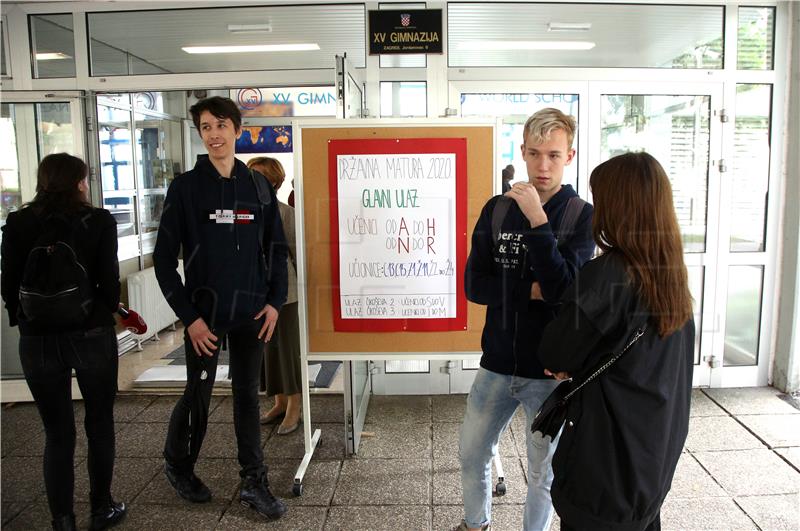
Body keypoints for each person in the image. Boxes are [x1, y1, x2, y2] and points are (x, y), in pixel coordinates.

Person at [538, 152, 695, 531]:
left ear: (619, 207)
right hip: (651, 463)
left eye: (602, 199)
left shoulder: (609, 274)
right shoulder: (670, 273)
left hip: (605, 469)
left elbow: (554, 351)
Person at [455, 108, 595, 531]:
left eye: (553, 155)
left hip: (549, 370)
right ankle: (475, 524)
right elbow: (473, 285)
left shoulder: (579, 214)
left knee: (543, 471)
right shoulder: (497, 209)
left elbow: (563, 291)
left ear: (569, 156)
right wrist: (528, 291)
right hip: (496, 361)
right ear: (522, 152)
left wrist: (538, 220)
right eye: (534, 154)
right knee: (471, 454)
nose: (543, 165)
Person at [153, 96, 289, 520]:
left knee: (248, 395)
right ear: (200, 134)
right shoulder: (186, 188)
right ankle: (178, 463)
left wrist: (275, 302)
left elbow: (276, 248)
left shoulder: (257, 185)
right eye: (206, 127)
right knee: (199, 394)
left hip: (251, 311)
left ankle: (254, 481)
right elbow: (163, 261)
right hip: (206, 315)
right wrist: (189, 319)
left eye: (221, 125)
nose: (214, 134)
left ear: (236, 129)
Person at [1, 153, 126, 531]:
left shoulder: (18, 221)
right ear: (78, 183)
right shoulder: (98, 221)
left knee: (57, 433)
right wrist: (107, 313)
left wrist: (23, 320)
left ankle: (63, 519)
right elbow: (108, 278)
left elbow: (8, 283)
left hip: (37, 339)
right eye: (84, 179)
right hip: (90, 334)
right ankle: (101, 508)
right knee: (99, 423)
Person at [246, 157, 302, 435]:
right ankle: (279, 402)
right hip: (253, 295)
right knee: (269, 351)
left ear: (275, 183)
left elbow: (296, 257)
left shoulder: (286, 214)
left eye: (262, 178)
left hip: (287, 295)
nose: (255, 183)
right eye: (251, 176)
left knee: (289, 350)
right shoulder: (241, 212)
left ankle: (295, 405)